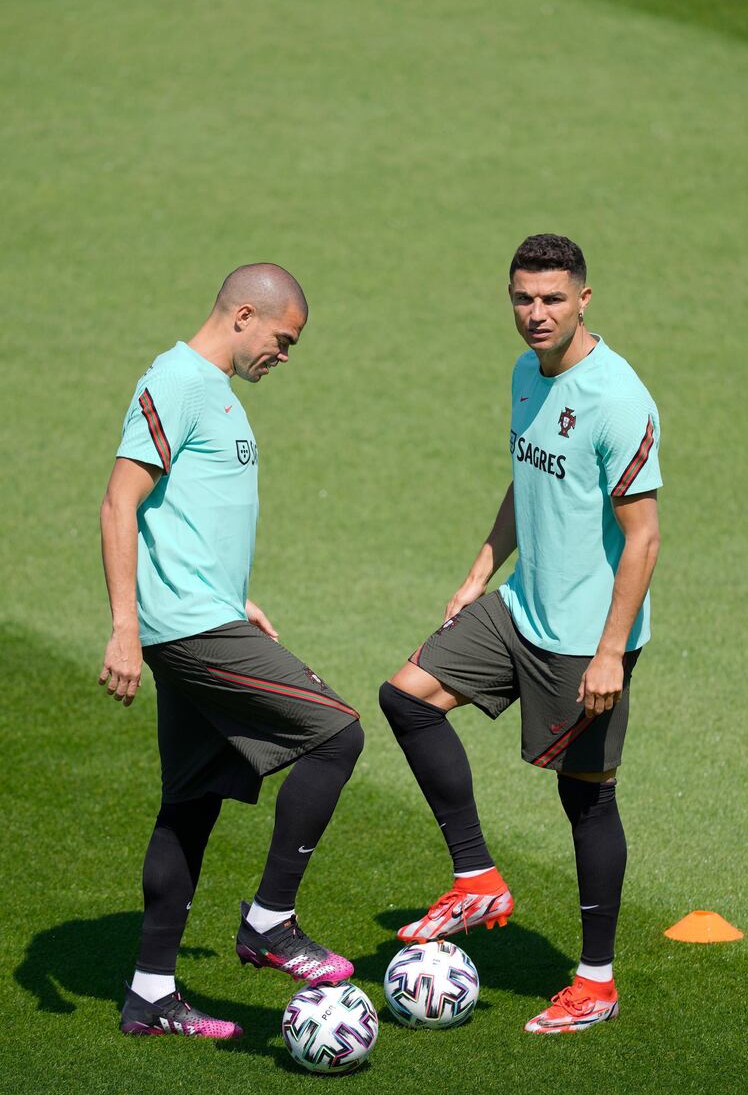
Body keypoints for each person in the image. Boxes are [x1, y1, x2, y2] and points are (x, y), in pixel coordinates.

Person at [379, 234, 661, 1034]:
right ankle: (476, 875)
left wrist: (611, 652)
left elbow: (642, 536)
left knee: (587, 802)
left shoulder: (618, 398)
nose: (535, 314)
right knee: (405, 698)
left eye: (551, 299)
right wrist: (479, 572)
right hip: (519, 605)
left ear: (584, 299)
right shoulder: (525, 373)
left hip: (584, 638)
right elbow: (527, 471)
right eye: (522, 298)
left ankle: (595, 982)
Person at [99, 264, 364, 1039]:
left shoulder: (215, 392)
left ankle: (150, 994)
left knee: (190, 803)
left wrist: (230, 594)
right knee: (337, 734)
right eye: (283, 339)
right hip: (184, 628)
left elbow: (185, 513)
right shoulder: (179, 381)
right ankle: (270, 920)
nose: (285, 354)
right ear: (244, 315)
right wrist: (125, 627)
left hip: (205, 613)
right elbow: (121, 499)